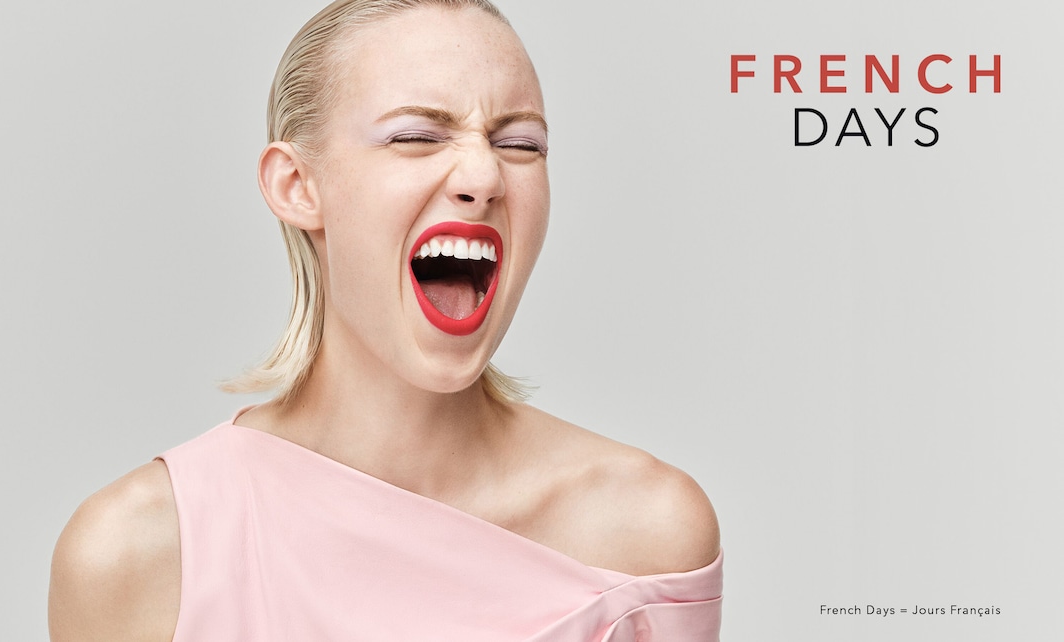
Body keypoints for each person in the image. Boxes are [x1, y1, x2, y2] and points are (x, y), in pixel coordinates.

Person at [49, 0, 722, 639]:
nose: (484, 175)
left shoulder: (648, 535)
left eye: (521, 144)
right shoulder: (137, 555)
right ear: (296, 186)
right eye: (416, 136)